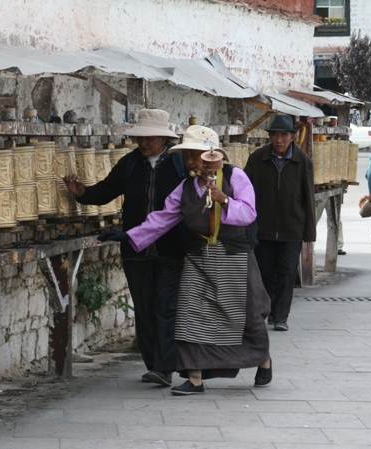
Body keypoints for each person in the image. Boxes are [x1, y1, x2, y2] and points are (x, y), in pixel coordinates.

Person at [98, 125, 272, 395]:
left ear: (214, 155)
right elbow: (163, 219)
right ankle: (194, 378)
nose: (191, 162)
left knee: (248, 314)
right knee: (191, 316)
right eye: (187, 156)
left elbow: (248, 213)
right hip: (199, 258)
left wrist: (224, 200)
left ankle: (262, 359)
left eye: (197, 156)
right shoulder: (187, 187)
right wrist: (129, 235)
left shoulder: (235, 176)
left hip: (233, 256)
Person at [63, 109, 186, 387]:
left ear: (163, 138)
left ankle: (166, 367)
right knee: (143, 308)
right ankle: (154, 365)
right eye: (139, 138)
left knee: (165, 308)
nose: (143, 143)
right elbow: (105, 192)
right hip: (135, 249)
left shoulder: (179, 164)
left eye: (149, 138)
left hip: (172, 249)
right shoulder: (130, 164)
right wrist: (81, 192)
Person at [244, 114, 316, 332]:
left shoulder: (302, 161)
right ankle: (267, 310)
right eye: (274, 135)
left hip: (292, 229)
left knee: (286, 273)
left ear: (293, 137)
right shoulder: (257, 159)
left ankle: (281, 316)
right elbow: (245, 193)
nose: (279, 140)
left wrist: (309, 235)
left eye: (284, 135)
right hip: (262, 229)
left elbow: (308, 197)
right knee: (265, 272)